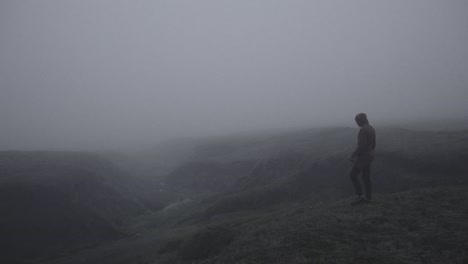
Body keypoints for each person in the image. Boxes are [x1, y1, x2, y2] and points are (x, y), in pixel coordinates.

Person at [349, 113, 376, 205]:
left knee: (353, 175)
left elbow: (361, 146)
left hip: (363, 157)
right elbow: (374, 144)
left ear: (361, 120)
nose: (357, 123)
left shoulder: (363, 130)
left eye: (357, 121)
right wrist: (370, 152)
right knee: (366, 177)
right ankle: (368, 198)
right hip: (369, 156)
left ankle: (359, 196)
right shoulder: (371, 128)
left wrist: (354, 155)